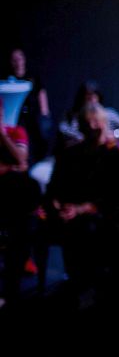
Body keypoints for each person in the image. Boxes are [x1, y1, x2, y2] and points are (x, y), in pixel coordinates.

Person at [47, 103, 119, 298]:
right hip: (70, 210)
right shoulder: (70, 154)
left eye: (97, 122)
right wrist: (57, 204)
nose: (93, 127)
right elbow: (54, 187)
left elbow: (118, 195)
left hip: (101, 212)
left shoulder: (116, 153)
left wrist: (82, 208)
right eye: (88, 123)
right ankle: (74, 282)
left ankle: (91, 285)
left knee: (89, 228)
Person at [1, 105, 43, 304]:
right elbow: (17, 164)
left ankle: (11, 292)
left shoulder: (16, 131)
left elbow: (20, 158)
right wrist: (11, 166)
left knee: (26, 186)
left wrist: (1, 134)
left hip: (11, 196)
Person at [57, 81, 119, 152]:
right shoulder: (73, 115)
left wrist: (115, 134)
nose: (93, 126)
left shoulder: (108, 113)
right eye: (87, 98)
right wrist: (82, 138)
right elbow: (63, 131)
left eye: (93, 98)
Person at [6, 48, 51, 163]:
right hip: (17, 114)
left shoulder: (32, 75)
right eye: (14, 60)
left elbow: (41, 92)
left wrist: (44, 112)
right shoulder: (9, 78)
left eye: (20, 59)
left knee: (41, 133)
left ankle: (40, 159)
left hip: (33, 112)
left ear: (24, 60)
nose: (18, 62)